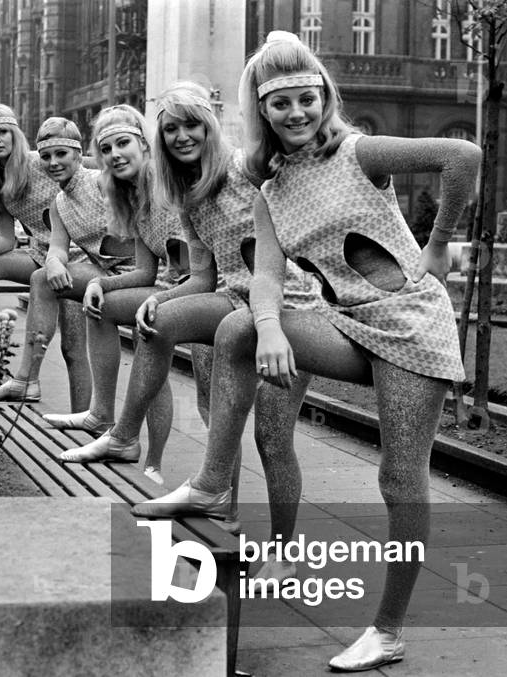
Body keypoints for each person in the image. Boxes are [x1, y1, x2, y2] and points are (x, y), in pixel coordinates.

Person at [133, 32, 481, 672]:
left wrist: (437, 247)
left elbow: (462, 154)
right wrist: (268, 327)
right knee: (237, 329)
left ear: (325, 98)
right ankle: (212, 486)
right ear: (261, 112)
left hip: (410, 328)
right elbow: (265, 277)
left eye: (307, 99)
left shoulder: (359, 152)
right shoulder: (273, 186)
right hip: (346, 323)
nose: (297, 114)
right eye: (281, 104)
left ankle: (388, 629)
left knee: (399, 478)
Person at [60, 82, 321, 507]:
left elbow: (301, 178)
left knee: (272, 440)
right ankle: (136, 445)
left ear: (210, 126)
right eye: (171, 129)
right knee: (205, 396)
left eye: (192, 125)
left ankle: (281, 550)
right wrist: (160, 298)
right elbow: (201, 276)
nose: (182, 136)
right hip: (231, 302)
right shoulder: (187, 196)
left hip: (288, 306)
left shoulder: (246, 168)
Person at [44, 104, 204, 484]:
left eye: (123, 144)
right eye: (107, 149)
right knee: (102, 306)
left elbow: (195, 273)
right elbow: (146, 271)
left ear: (145, 145)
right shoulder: (132, 198)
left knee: (205, 395)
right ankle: (112, 424)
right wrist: (101, 283)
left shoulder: (169, 190)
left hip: (207, 288)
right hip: (171, 287)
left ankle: (146, 454)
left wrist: (157, 299)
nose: (115, 155)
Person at [0, 116, 135, 402]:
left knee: (78, 347)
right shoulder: (59, 203)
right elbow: (58, 247)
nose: (53, 162)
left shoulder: (102, 184)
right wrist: (54, 261)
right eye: (46, 156)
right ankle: (29, 381)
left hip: (138, 274)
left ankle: (88, 413)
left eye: (61, 154)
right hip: (99, 271)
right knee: (42, 279)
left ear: (78, 154)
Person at [0, 104, 91, 409]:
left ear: (15, 134)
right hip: (40, 254)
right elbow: (7, 239)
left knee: (73, 347)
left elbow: (84, 167)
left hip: (77, 256)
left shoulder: (42, 161)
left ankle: (82, 420)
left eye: (3, 132)